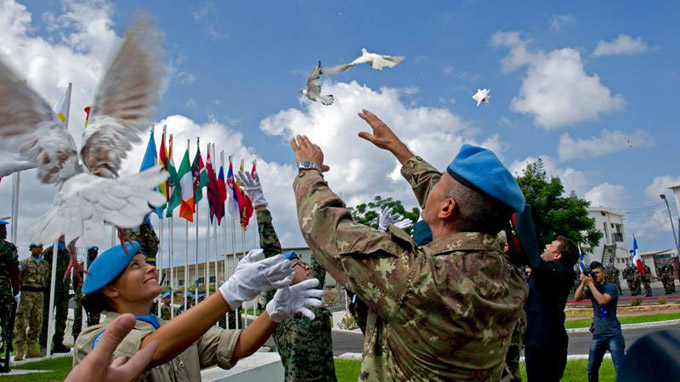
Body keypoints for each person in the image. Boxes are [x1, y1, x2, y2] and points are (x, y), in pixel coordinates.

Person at [289, 109, 528, 381]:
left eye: (440, 185)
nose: (433, 186)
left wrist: (309, 170)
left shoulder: (417, 277)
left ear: (447, 208)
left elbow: (323, 226)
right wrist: (397, 149)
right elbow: (455, 201)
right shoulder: (510, 279)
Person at [74, 241, 323, 382]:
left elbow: (237, 346)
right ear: (110, 289)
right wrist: (230, 293)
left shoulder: (171, 328)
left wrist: (273, 312)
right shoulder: (94, 338)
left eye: (147, 261)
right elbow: (152, 350)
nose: (150, 268)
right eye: (134, 266)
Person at [238, 169, 337, 382]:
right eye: (298, 264)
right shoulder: (282, 302)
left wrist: (318, 185)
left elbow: (321, 248)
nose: (306, 267)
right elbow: (273, 251)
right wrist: (260, 207)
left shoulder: (313, 294)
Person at [524, 236, 579, 382]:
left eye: (551, 245)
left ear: (557, 255)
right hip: (537, 341)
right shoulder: (547, 272)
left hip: (546, 344)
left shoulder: (560, 271)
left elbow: (534, 259)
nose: (546, 245)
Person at [574, 261, 624, 382]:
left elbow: (602, 301)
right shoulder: (592, 287)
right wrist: (583, 282)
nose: (595, 275)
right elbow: (577, 298)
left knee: (620, 368)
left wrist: (590, 284)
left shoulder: (611, 287)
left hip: (613, 334)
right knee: (591, 369)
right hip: (598, 335)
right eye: (593, 273)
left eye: (597, 272)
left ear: (603, 273)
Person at [14, 243, 50, 360]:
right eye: (38, 247)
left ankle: (31, 348)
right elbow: (17, 274)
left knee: (37, 321)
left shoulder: (45, 264)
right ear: (32, 248)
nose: (40, 249)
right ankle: (20, 349)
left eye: (41, 247)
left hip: (39, 294)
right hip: (27, 294)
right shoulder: (25, 263)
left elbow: (47, 278)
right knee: (22, 321)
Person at [39, 235, 71, 353]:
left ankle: (58, 342)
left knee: (62, 316)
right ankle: (44, 343)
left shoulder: (67, 252)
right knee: (47, 316)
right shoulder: (49, 252)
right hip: (51, 289)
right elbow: (43, 270)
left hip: (64, 289)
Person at [0, 220, 20, 357]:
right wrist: (16, 291)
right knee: (4, 322)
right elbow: (14, 271)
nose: (6, 231)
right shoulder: (7, 247)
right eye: (3, 229)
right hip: (3, 291)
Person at [73, 246, 101, 341]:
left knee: (95, 317)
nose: (94, 254)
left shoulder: (98, 265)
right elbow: (75, 281)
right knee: (78, 316)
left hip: (94, 293)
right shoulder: (81, 265)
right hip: (81, 291)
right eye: (92, 252)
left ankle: (92, 337)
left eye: (95, 252)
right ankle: (77, 338)